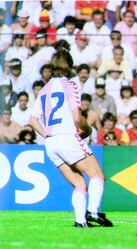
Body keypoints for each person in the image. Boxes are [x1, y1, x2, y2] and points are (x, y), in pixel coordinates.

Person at [29, 49, 113, 228]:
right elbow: (76, 117)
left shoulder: (44, 90)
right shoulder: (71, 85)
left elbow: (32, 120)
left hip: (50, 143)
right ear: (70, 66)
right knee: (98, 176)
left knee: (79, 183)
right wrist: (88, 129)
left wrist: (46, 134)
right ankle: (92, 211)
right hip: (67, 137)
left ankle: (80, 221)